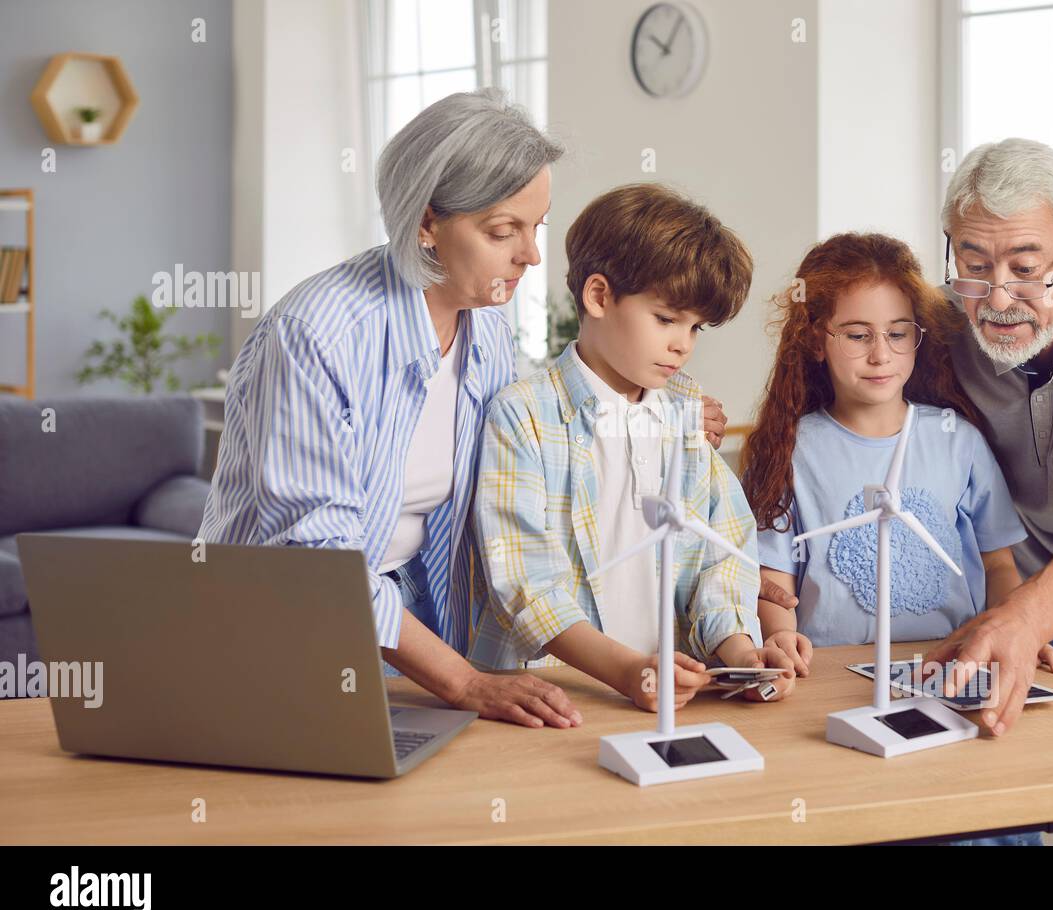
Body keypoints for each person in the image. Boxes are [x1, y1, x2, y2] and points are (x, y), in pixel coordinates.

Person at [198, 90, 733, 730]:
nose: (532, 255)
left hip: (413, 623)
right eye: (502, 231)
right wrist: (465, 682)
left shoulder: (487, 330)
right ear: (426, 223)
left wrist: (661, 418)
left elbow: (541, 438)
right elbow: (321, 565)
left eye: (537, 226)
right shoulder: (316, 338)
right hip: (287, 630)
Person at [762, 139, 1053, 845]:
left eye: (1025, 266)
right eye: (974, 266)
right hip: (1022, 580)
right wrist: (694, 419)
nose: (999, 297)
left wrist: (1022, 619)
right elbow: (860, 394)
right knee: (992, 786)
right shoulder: (944, 324)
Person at [744, 232, 1053, 845]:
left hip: (947, 674)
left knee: (980, 823)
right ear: (816, 337)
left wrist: (1016, 630)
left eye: (898, 333)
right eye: (857, 334)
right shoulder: (791, 447)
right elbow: (773, 579)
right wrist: (782, 640)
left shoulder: (956, 441)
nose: (880, 354)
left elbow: (999, 563)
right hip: (833, 683)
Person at [470, 183, 795, 711]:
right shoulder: (523, 415)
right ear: (598, 296)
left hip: (678, 691)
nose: (682, 344)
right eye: (666, 319)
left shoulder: (685, 412)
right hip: (561, 695)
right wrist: (626, 671)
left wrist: (739, 651)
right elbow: (525, 582)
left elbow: (722, 551)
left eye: (696, 328)